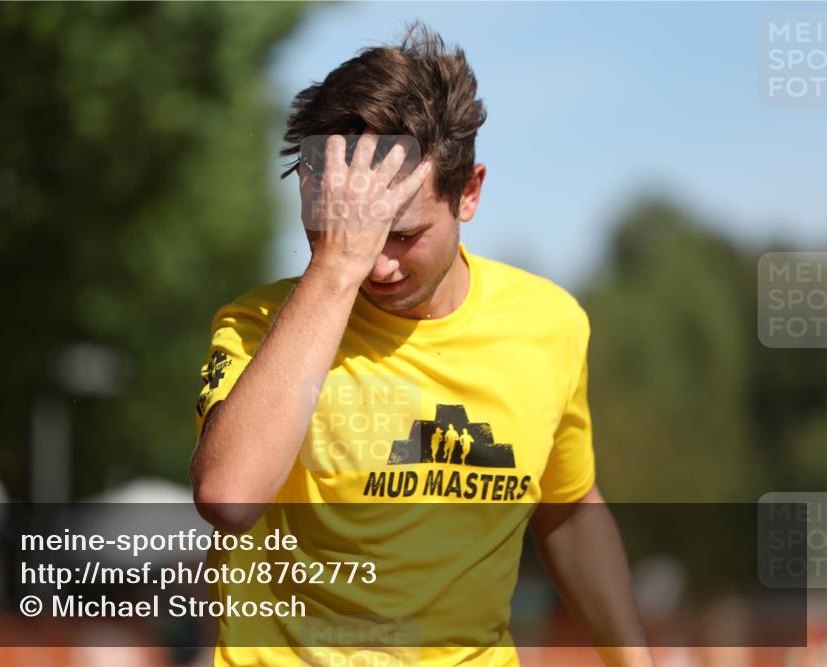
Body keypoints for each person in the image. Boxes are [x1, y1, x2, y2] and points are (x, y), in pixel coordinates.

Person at [191, 22, 655, 667]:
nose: (375, 265)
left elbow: (568, 508)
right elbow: (228, 497)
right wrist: (332, 269)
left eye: (402, 234)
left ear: (469, 193)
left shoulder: (552, 324)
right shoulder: (259, 326)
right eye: (348, 230)